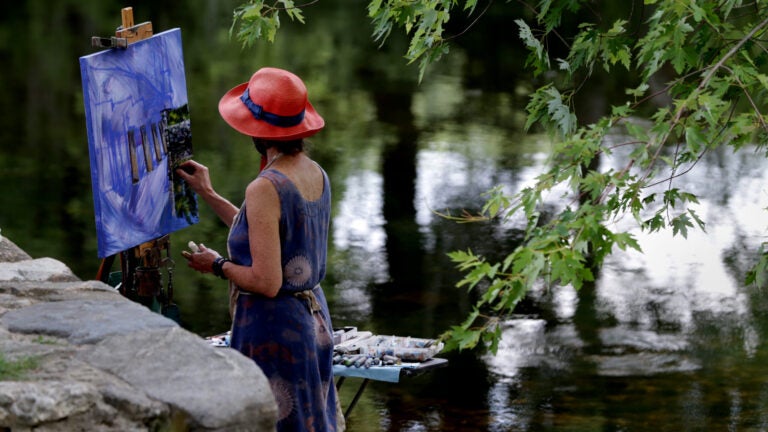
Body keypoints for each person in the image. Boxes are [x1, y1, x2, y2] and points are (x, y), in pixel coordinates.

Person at [176, 67, 339, 431]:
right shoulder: (314, 171)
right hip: (313, 323)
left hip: (277, 332)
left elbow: (266, 281)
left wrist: (216, 265)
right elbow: (267, 237)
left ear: (257, 131)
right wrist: (209, 193)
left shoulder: (265, 186)